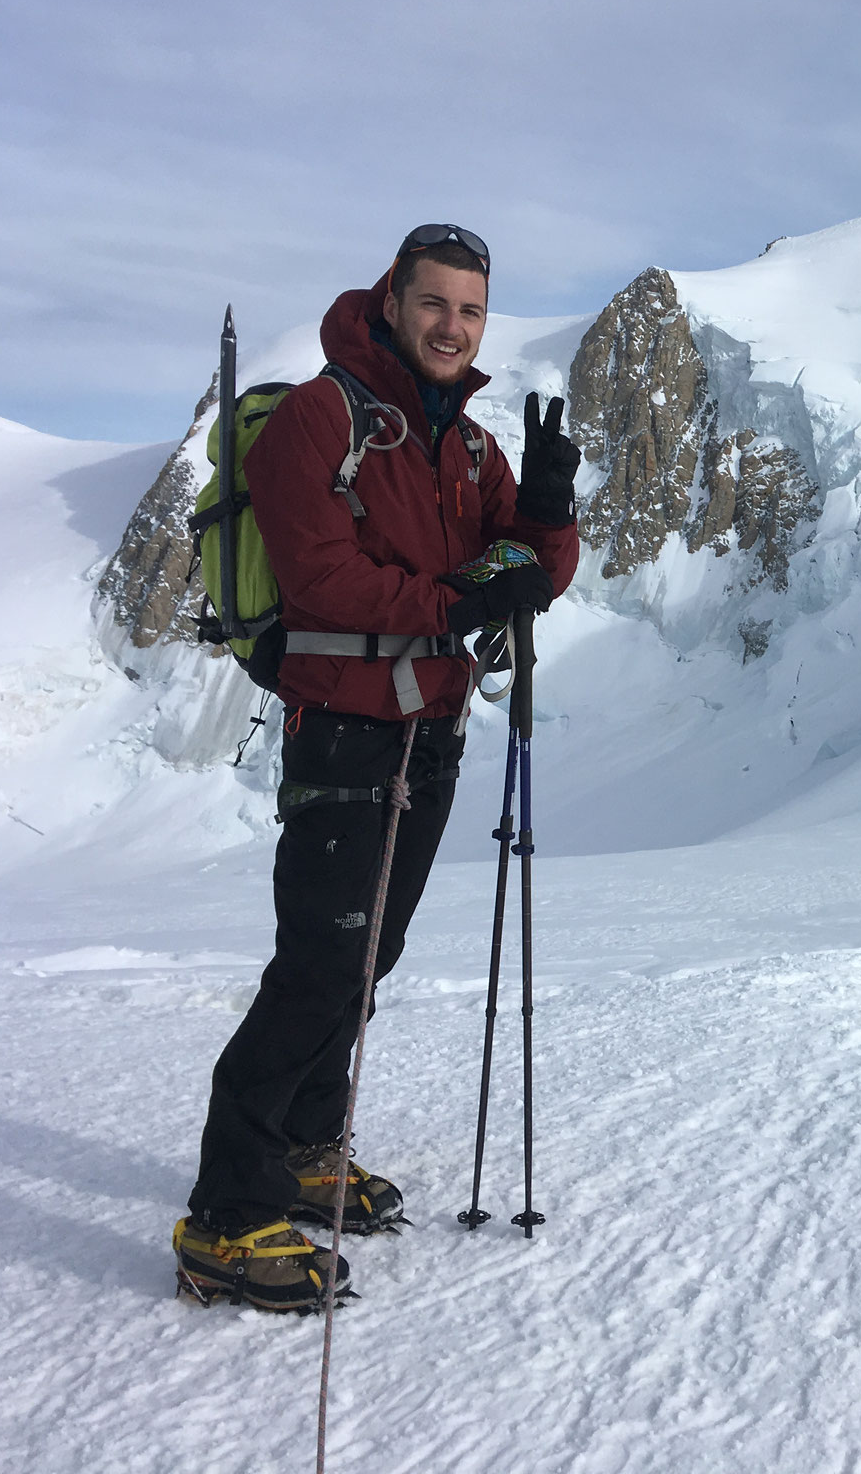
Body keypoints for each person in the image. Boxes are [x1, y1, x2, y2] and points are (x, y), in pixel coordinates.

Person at [173, 224, 581, 1311]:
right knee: (320, 965)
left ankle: (306, 1145)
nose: (454, 325)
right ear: (392, 301)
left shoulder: (475, 448)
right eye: (436, 302)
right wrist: (458, 602)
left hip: (428, 731)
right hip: (347, 729)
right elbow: (323, 584)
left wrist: (544, 515)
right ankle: (227, 1210)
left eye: (472, 310)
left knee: (368, 957)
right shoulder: (322, 418)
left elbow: (530, 576)